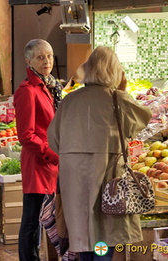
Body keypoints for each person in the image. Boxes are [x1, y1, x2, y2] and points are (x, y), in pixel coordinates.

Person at [47, 46, 152, 260]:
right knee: (104, 236)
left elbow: (53, 140)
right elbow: (144, 119)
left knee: (83, 235)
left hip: (73, 181)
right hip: (108, 178)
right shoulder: (117, 100)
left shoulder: (69, 101)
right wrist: (122, 90)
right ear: (115, 71)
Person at [13, 39, 62, 260]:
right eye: (40, 57)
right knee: (32, 219)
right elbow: (26, 135)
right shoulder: (28, 91)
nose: (46, 61)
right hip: (38, 163)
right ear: (28, 60)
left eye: (49, 56)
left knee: (48, 216)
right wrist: (52, 154)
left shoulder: (51, 86)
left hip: (53, 162)